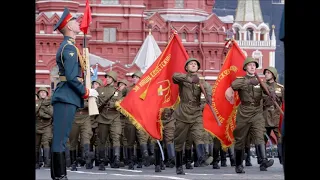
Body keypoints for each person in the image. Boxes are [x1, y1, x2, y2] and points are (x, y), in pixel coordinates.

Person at [50, 7, 98, 180]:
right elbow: (71, 77)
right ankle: (59, 176)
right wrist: (86, 91)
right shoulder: (69, 49)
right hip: (65, 96)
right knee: (60, 139)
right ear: (69, 26)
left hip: (68, 97)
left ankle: (59, 175)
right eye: (75, 21)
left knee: (62, 138)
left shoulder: (71, 47)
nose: (79, 23)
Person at [226, 57, 274, 173]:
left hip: (257, 112)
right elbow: (234, 84)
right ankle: (238, 164)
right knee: (240, 140)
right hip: (244, 112)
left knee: (259, 135)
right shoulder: (241, 80)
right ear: (245, 67)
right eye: (250, 65)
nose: (253, 67)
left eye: (254, 65)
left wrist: (271, 94)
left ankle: (263, 160)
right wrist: (248, 81)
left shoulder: (260, 81)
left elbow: (267, 92)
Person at [172, 57, 213, 175]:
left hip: (196, 111)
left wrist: (209, 96)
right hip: (183, 112)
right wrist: (189, 79)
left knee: (199, 134)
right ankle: (179, 165)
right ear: (186, 67)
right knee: (179, 141)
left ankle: (202, 157)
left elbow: (207, 88)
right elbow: (174, 76)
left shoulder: (201, 80)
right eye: (191, 64)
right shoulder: (182, 78)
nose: (194, 65)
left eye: (195, 64)